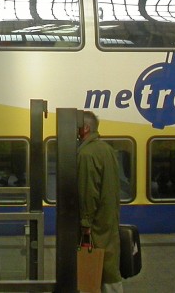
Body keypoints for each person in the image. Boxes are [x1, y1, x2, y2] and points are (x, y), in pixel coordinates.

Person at [77, 110, 122, 293]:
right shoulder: (107, 150)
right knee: (109, 266)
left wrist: (85, 224)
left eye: (78, 127)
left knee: (97, 268)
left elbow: (88, 192)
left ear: (86, 128)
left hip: (95, 226)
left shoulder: (86, 154)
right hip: (108, 220)